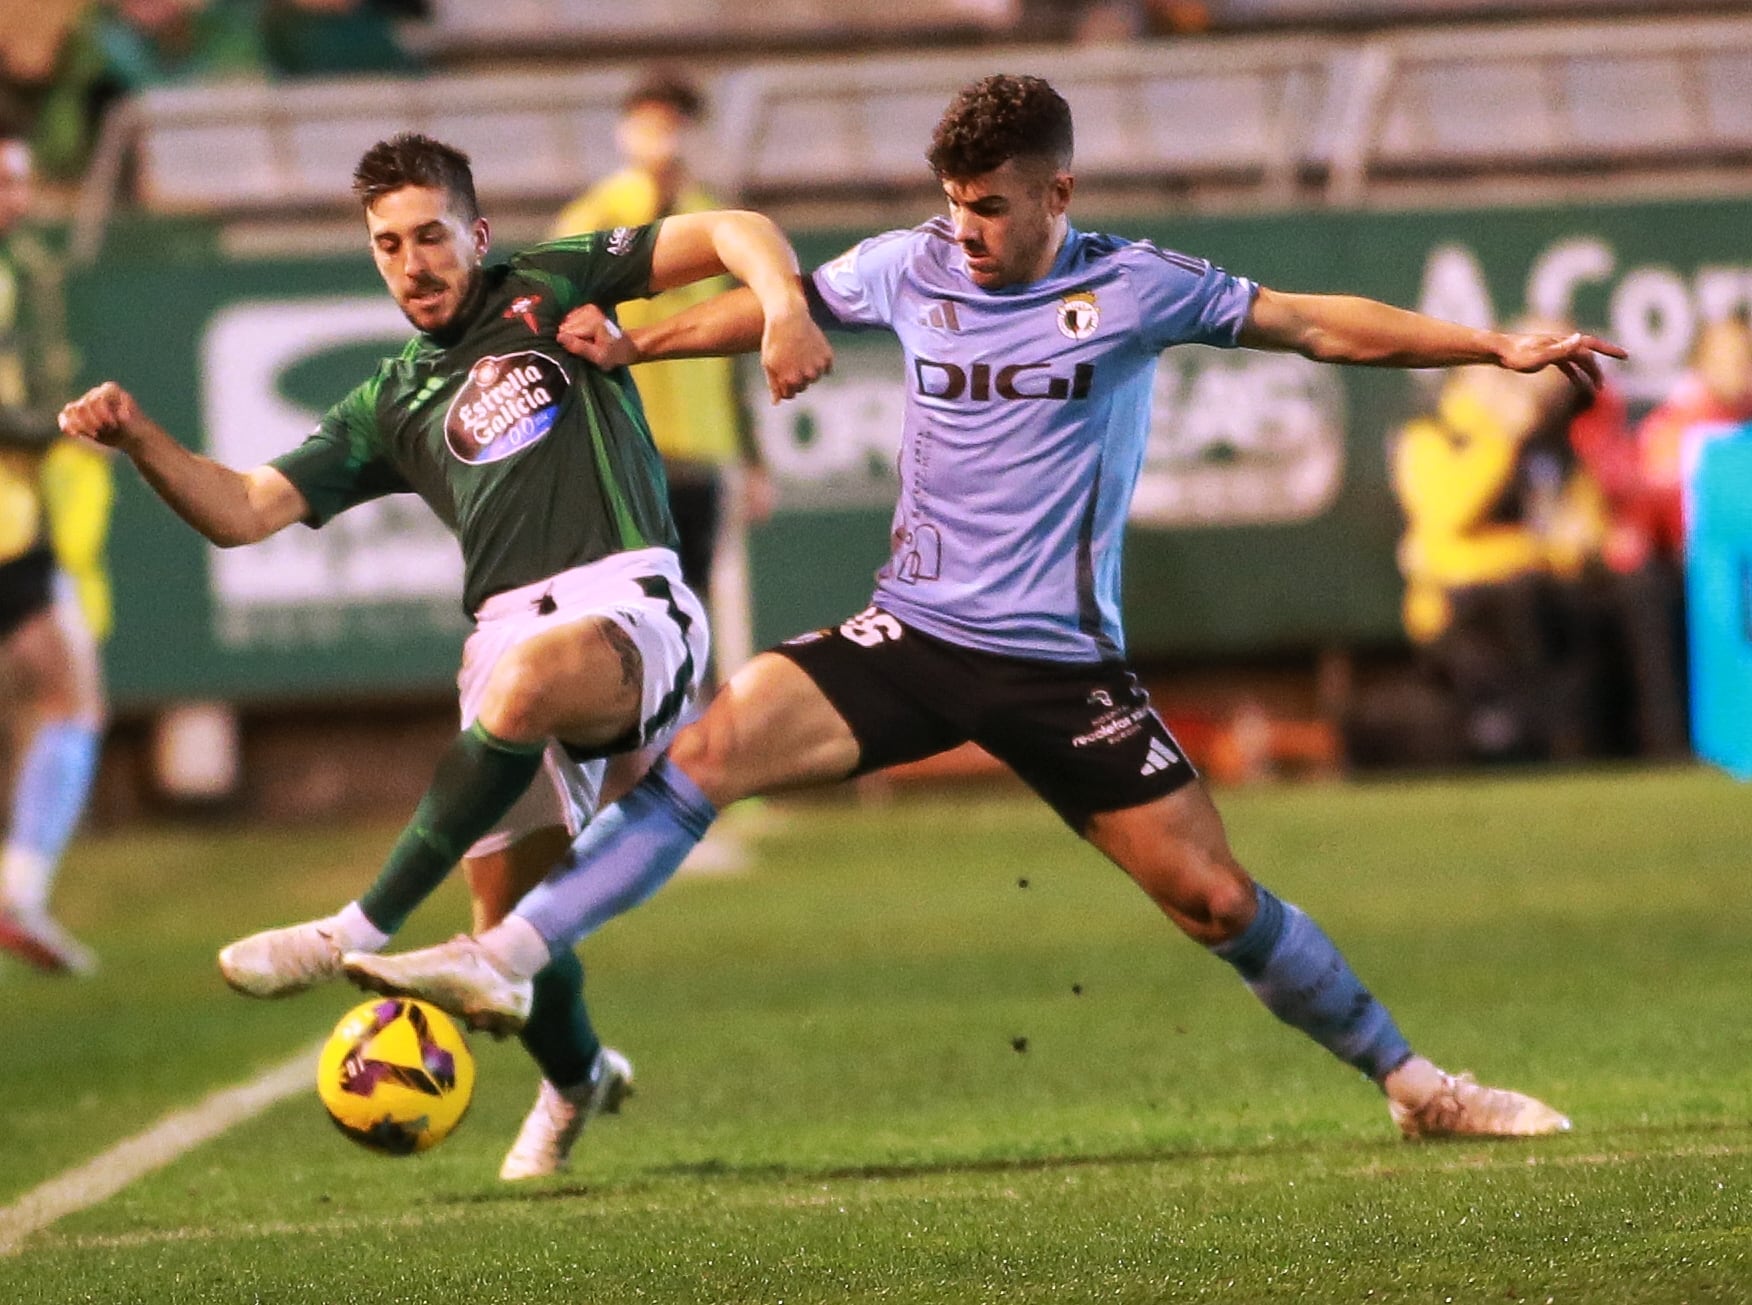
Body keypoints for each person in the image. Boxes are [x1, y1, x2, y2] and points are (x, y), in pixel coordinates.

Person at [345, 76, 1625, 1140]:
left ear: (1058, 194)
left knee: (1216, 904)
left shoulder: (1137, 287)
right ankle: (509, 954)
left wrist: (1490, 346)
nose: (966, 231)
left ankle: (1416, 1088)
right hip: (909, 633)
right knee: (708, 755)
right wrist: (642, 344)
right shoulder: (913, 262)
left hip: (1063, 669)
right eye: (954, 206)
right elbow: (776, 306)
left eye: (993, 209)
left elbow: (1314, 326)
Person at [58, 131, 832, 1177]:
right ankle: (577, 1081)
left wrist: (783, 308)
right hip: (505, 632)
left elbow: (738, 231)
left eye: (431, 236)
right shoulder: (386, 402)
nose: (412, 263)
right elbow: (243, 511)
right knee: (512, 933)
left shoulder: (551, 282)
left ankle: (354, 928)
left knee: (526, 685)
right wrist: (142, 438)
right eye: (388, 245)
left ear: (476, 233)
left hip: (632, 603)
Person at [551, 69, 774, 667]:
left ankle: (676, 732)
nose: (661, 138)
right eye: (649, 124)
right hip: (618, 444)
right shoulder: (593, 217)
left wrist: (751, 455)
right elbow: (557, 334)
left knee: (686, 599)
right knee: (618, 603)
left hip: (699, 450)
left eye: (674, 125)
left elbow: (734, 349)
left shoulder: (717, 221)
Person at [0, 119, 109, 977]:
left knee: (65, 700)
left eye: (19, 180)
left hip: (14, 528)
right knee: (67, 702)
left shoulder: (21, 271)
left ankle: (20, 895)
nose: (15, 197)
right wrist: (56, 424)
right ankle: (20, 892)